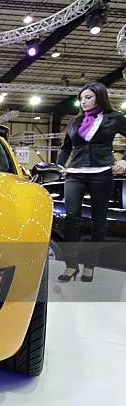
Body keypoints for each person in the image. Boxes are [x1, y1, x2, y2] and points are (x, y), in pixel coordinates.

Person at [56, 82, 126, 282]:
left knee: (99, 222)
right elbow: (65, 148)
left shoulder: (115, 118)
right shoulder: (75, 122)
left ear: (99, 97)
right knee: (71, 219)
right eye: (81, 98)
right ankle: (71, 266)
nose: (83, 101)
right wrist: (59, 166)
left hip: (102, 173)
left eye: (88, 97)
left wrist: (124, 160)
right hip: (75, 174)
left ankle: (90, 266)